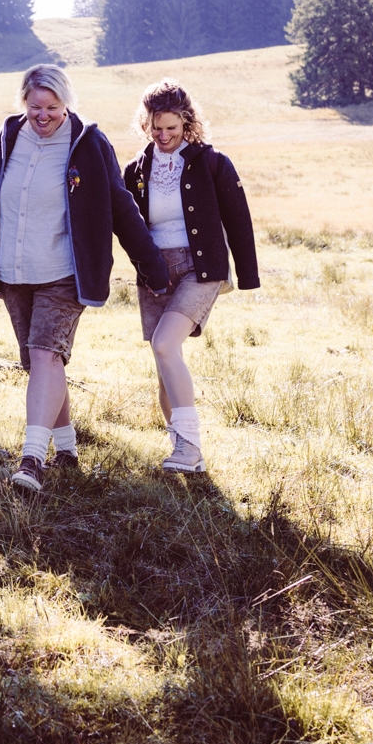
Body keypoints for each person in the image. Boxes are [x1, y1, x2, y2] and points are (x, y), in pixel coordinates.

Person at [0, 65, 171, 493]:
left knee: (46, 355)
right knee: (39, 362)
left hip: (64, 273)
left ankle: (31, 460)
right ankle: (67, 448)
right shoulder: (8, 138)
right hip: (14, 272)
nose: (43, 116)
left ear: (66, 104)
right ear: (23, 103)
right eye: (35, 107)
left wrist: (152, 268)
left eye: (52, 107)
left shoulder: (88, 144)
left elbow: (121, 208)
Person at [122, 79, 258, 473]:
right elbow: (127, 224)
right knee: (164, 359)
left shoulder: (212, 163)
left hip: (201, 269)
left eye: (172, 129)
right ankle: (181, 448)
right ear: (145, 125)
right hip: (154, 270)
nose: (164, 136)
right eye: (156, 128)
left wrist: (245, 275)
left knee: (165, 345)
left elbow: (238, 219)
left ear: (187, 124)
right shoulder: (136, 170)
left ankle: (190, 447)